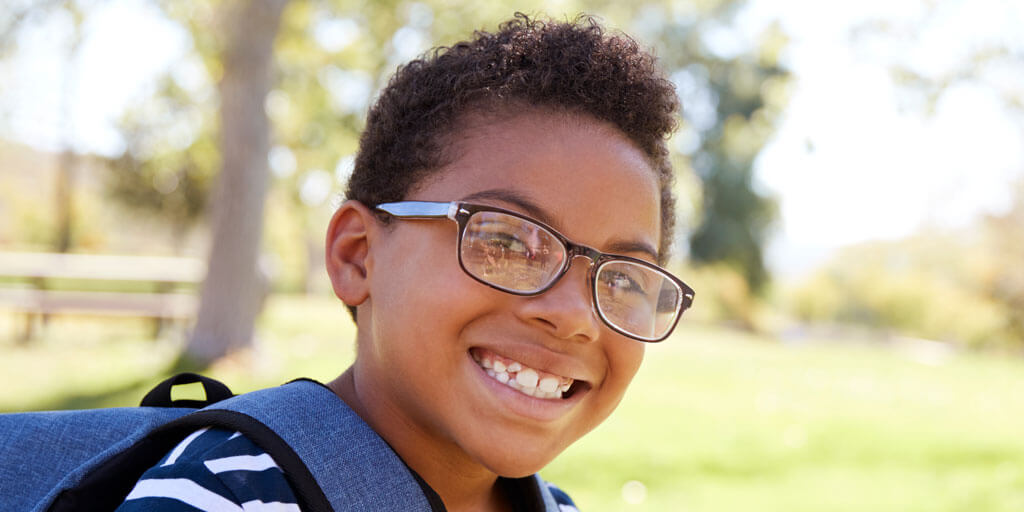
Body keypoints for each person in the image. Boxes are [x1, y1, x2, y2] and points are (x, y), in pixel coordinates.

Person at [116, 13, 694, 512]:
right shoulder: (224, 496)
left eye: (622, 277)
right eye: (509, 243)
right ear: (358, 256)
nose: (575, 317)